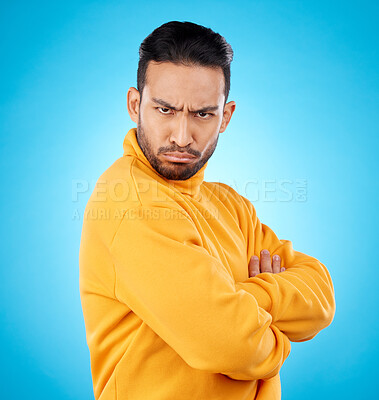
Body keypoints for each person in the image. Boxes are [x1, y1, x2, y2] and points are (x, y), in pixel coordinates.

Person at [79, 21, 336, 400]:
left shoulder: (231, 205)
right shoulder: (129, 203)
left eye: (202, 114)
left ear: (226, 117)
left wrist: (249, 299)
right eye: (165, 110)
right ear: (135, 105)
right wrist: (278, 334)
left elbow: (321, 293)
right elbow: (231, 345)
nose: (182, 136)